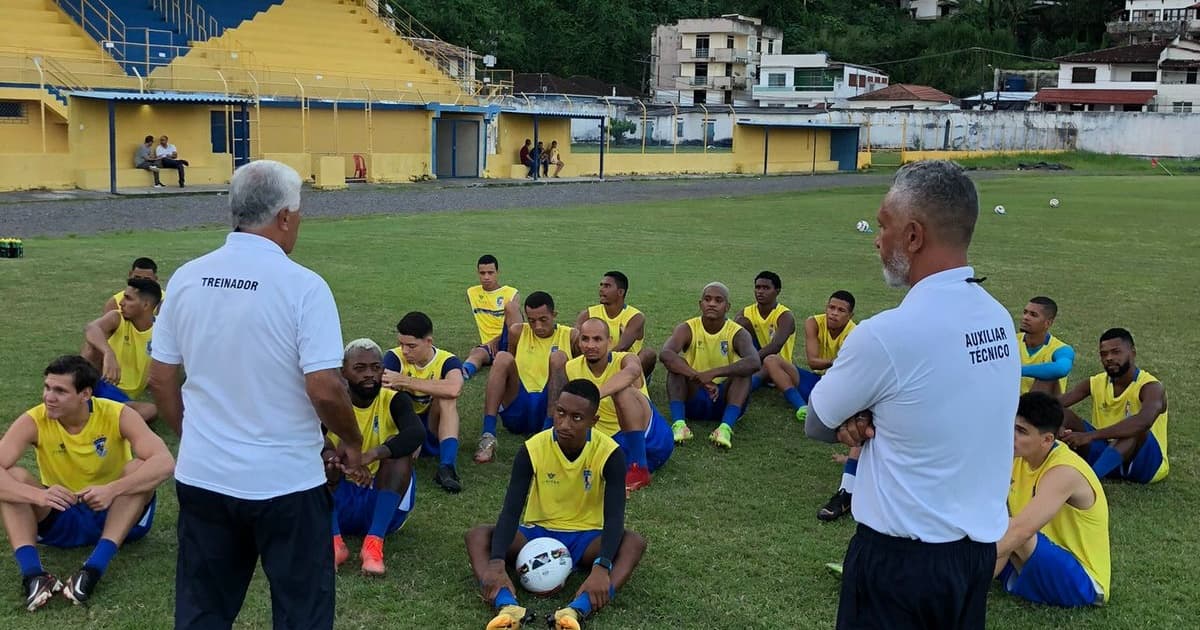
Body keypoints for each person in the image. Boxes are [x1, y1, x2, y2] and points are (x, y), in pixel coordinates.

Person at [147, 160, 364, 629]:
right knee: (301, 610)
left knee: (203, 610)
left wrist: (194, 434)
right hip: (285, 482)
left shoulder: (187, 277)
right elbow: (324, 387)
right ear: (285, 216)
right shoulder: (303, 286)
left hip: (204, 477)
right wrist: (352, 439)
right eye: (300, 213)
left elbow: (161, 379)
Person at [803, 160, 1020, 630]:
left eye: (884, 225)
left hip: (899, 563)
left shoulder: (888, 334)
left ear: (914, 236)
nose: (877, 239)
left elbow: (817, 421)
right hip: (975, 557)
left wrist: (858, 412)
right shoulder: (999, 319)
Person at [465, 379, 647, 630]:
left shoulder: (610, 453)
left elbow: (615, 516)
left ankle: (576, 611)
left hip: (586, 539)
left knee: (633, 542)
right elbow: (511, 509)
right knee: (477, 536)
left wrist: (602, 565)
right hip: (536, 534)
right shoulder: (532, 448)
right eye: (560, 413)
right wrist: (496, 562)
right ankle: (507, 607)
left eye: (576, 418)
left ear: (593, 422)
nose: (564, 423)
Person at [0, 356, 173, 610]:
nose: (49, 397)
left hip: (116, 512)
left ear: (85, 394)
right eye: (47, 387)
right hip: (61, 514)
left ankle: (92, 570)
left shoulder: (117, 413)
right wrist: (36, 496)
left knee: (137, 468)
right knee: (14, 479)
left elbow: (165, 462)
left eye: (60, 391)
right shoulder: (35, 419)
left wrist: (112, 489)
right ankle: (34, 576)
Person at [995, 392, 1110, 608]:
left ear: (1047, 439)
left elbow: (1021, 532)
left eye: (1021, 431)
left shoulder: (1064, 471)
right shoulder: (1018, 455)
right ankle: (966, 582)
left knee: (1009, 530)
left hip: (1084, 584)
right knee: (989, 522)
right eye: (1011, 426)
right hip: (1036, 557)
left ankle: (963, 583)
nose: (1011, 436)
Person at [327, 339, 425, 577]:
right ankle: (333, 543)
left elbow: (416, 433)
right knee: (322, 459)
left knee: (399, 453)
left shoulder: (395, 399)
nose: (369, 374)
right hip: (337, 498)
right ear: (343, 372)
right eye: (359, 368)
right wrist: (335, 458)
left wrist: (370, 455)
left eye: (375, 367)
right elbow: (305, 438)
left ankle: (373, 546)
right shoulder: (330, 402)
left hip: (381, 503)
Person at [762, 290, 857, 521]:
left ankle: (853, 468)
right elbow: (813, 361)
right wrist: (838, 362)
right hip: (818, 380)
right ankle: (800, 407)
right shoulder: (813, 322)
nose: (834, 313)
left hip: (836, 386)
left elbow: (845, 373)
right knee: (771, 361)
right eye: (831, 307)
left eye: (841, 310)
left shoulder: (855, 332)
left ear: (850, 315)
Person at [549, 318, 674, 493]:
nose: (590, 345)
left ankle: (639, 469)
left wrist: (593, 395)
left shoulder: (624, 359)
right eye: (585, 339)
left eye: (597, 339)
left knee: (621, 391)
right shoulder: (571, 368)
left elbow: (632, 372)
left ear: (609, 341)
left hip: (651, 438)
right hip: (612, 443)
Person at [474, 291, 576, 464]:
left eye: (543, 320)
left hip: (548, 406)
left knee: (559, 357)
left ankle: (549, 434)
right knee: (503, 358)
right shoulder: (518, 331)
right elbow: (510, 363)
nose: (537, 326)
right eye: (532, 320)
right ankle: (488, 435)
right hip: (518, 406)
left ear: (554, 315)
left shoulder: (571, 335)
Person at [1058, 327, 1169, 484]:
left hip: (1143, 463)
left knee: (1136, 429)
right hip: (1106, 455)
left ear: (1133, 352)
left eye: (1116, 352)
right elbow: (1052, 405)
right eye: (1104, 354)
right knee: (1059, 413)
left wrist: (1089, 436)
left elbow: (1144, 421)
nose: (1109, 358)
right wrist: (1058, 427)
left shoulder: (1151, 387)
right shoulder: (1095, 382)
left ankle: (1089, 481)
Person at [660, 282, 760, 449]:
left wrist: (713, 374)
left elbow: (754, 361)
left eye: (718, 300)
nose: (712, 304)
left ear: (727, 306)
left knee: (743, 372)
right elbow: (666, 354)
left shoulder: (737, 332)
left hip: (724, 399)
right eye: (707, 299)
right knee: (675, 368)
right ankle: (680, 425)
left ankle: (725, 428)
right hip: (694, 396)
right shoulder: (688, 327)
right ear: (701, 304)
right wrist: (698, 377)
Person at [382, 312, 466, 493]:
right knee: (389, 394)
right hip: (404, 424)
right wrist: (411, 430)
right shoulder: (393, 357)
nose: (405, 351)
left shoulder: (447, 360)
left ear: (428, 342)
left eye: (411, 346)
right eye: (401, 344)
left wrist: (405, 381)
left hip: (432, 426)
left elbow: (454, 388)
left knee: (447, 398)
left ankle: (446, 467)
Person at [81, 277, 162, 423]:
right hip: (98, 385)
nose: (121, 302)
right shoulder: (117, 318)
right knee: (92, 347)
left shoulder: (162, 331)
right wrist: (108, 353)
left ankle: (96, 419)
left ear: (145, 305)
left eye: (128, 299)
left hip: (121, 397)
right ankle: (78, 392)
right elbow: (91, 328)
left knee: (151, 410)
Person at [574, 271, 656, 379]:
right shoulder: (587, 314)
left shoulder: (635, 317)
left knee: (648, 354)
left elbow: (622, 347)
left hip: (621, 365)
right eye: (601, 285)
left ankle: (632, 382)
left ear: (620, 292)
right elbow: (575, 342)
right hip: (592, 362)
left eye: (607, 286)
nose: (601, 289)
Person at [733, 271, 795, 392]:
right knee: (741, 323)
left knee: (769, 361)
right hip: (756, 359)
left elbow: (776, 346)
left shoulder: (785, 315)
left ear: (777, 291)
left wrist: (752, 359)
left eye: (766, 288)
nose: (760, 291)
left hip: (777, 364)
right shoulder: (746, 312)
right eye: (758, 287)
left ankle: (744, 388)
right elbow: (731, 338)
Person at [463, 255, 522, 381]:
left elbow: (519, 326)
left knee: (511, 307)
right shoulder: (471, 293)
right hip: (490, 347)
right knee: (477, 353)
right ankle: (463, 372)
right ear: (477, 273)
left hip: (509, 340)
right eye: (482, 273)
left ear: (498, 272)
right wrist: (490, 343)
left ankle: (513, 360)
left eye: (490, 273)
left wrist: (497, 339)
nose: (486, 277)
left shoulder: (511, 293)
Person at [1019, 296, 1075, 395]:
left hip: (1045, 406)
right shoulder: (1011, 341)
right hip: (1011, 403)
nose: (1026, 317)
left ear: (1048, 323)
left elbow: (1061, 369)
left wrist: (1018, 370)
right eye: (1025, 312)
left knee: (1046, 379)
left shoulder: (1062, 349)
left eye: (1033, 315)